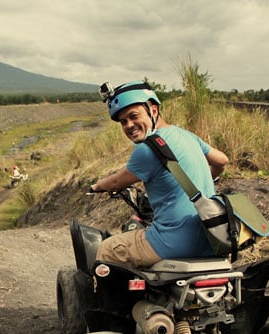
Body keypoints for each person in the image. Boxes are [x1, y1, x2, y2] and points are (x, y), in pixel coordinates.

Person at [90, 81, 229, 268]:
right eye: (123, 122)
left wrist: (96, 186)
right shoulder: (187, 135)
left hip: (172, 243)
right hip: (213, 239)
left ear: (153, 110)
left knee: (108, 248)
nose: (129, 125)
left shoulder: (147, 150)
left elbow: (116, 182)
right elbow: (222, 161)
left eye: (133, 116)